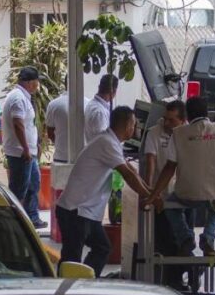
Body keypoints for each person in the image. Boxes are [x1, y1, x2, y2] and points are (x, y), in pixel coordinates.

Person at [56, 106, 153, 277]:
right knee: (72, 258)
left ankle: (85, 282)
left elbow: (131, 170)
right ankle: (70, 288)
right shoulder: (106, 143)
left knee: (102, 248)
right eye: (134, 125)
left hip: (85, 211)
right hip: (76, 210)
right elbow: (128, 174)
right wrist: (150, 197)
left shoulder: (110, 141)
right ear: (127, 126)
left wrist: (150, 191)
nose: (135, 129)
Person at [148, 97, 215, 258]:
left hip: (187, 195)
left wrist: (153, 195)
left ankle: (185, 237)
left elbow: (169, 168)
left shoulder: (178, 134)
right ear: (207, 113)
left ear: (187, 115)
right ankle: (208, 235)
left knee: (169, 205)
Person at [143, 100, 187, 288]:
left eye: (172, 120)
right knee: (164, 241)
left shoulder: (188, 134)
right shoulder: (154, 132)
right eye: (165, 119)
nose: (167, 123)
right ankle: (165, 281)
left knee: (183, 241)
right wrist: (151, 191)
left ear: (183, 120)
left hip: (184, 196)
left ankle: (179, 278)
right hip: (162, 196)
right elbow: (151, 161)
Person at [2, 67, 46, 228]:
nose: (38, 85)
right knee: (19, 189)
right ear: (29, 82)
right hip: (21, 153)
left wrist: (35, 145)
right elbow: (18, 124)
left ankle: (32, 217)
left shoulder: (22, 97)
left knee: (33, 184)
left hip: (28, 152)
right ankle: (12, 221)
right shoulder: (18, 98)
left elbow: (27, 125)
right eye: (36, 81)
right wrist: (26, 149)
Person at [45, 90, 88, 164]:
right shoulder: (88, 103)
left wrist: (60, 144)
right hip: (84, 158)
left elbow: (50, 132)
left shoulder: (53, 104)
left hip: (60, 157)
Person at [83, 74, 118, 142]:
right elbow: (104, 142)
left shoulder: (91, 104)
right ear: (114, 91)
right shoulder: (100, 113)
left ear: (99, 87)